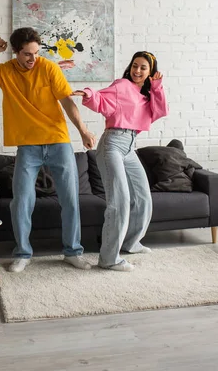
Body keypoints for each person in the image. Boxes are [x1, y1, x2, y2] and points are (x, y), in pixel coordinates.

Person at [0, 27, 96, 273]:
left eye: (36, 53)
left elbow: (67, 100)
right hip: (28, 146)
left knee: (70, 200)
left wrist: (83, 130)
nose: (32, 59)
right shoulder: (4, 72)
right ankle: (23, 253)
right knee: (22, 202)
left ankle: (72, 251)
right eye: (27, 54)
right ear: (15, 52)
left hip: (58, 141)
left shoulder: (48, 68)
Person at [72, 51, 168, 272]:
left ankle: (131, 243)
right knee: (119, 202)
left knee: (143, 198)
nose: (137, 71)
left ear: (150, 72)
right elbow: (101, 99)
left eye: (143, 67)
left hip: (130, 147)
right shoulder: (122, 85)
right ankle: (108, 259)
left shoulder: (146, 96)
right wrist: (87, 92)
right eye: (135, 65)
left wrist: (157, 86)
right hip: (112, 144)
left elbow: (160, 111)